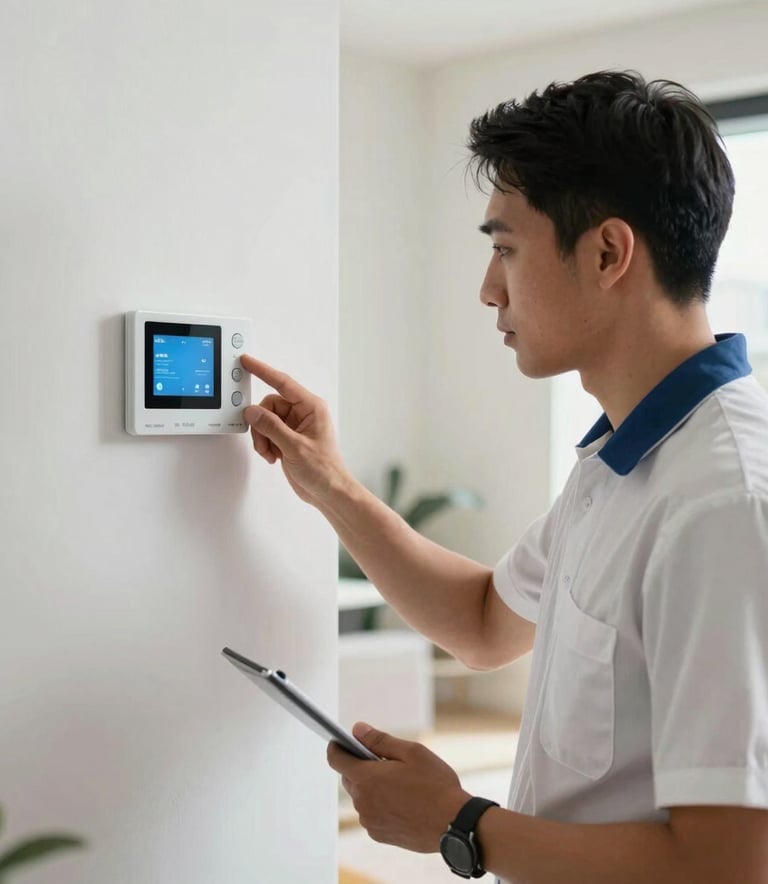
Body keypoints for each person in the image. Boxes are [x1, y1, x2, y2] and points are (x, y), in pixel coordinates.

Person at [241, 70, 768, 883]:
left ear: (606, 252)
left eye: (504, 250)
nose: (489, 290)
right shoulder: (624, 459)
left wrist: (459, 824)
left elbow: (727, 866)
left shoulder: (723, 503)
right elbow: (486, 621)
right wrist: (330, 485)